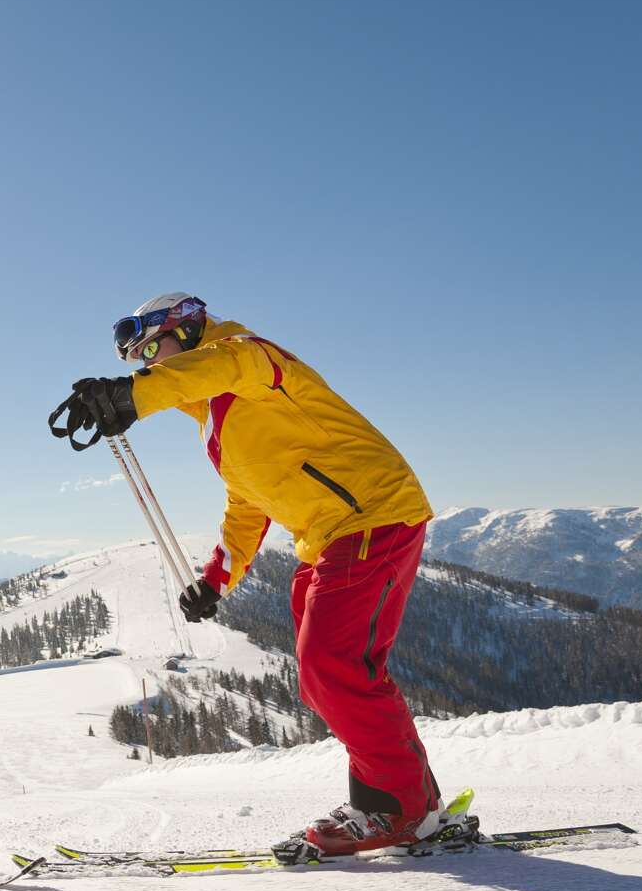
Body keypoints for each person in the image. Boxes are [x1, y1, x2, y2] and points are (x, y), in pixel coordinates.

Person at [57, 293, 451, 857]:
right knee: (330, 681)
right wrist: (217, 579)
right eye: (139, 361)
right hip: (330, 537)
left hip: (370, 517)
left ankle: (397, 810)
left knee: (334, 670)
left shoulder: (248, 357)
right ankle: (408, 803)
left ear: (188, 331)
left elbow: (220, 366)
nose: (151, 366)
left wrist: (129, 397)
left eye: (154, 349)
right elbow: (247, 502)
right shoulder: (217, 419)